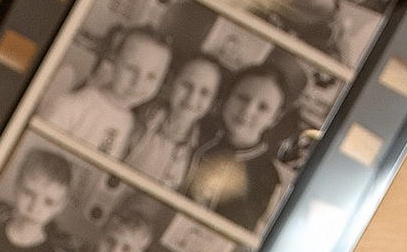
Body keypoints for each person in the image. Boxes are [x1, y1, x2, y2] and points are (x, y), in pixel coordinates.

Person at [182, 59, 295, 228]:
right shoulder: (196, 139)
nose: (248, 110)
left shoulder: (269, 177)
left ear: (274, 119)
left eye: (262, 107)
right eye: (242, 98)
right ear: (227, 98)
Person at [44, 20, 173, 158]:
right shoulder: (75, 105)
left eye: (152, 76)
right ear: (113, 61)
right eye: (131, 69)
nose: (138, 83)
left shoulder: (130, 123)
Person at [125, 44, 222, 193]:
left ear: (213, 103)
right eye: (187, 85)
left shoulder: (200, 151)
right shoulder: (139, 117)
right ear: (172, 82)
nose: (192, 98)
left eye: (204, 93)